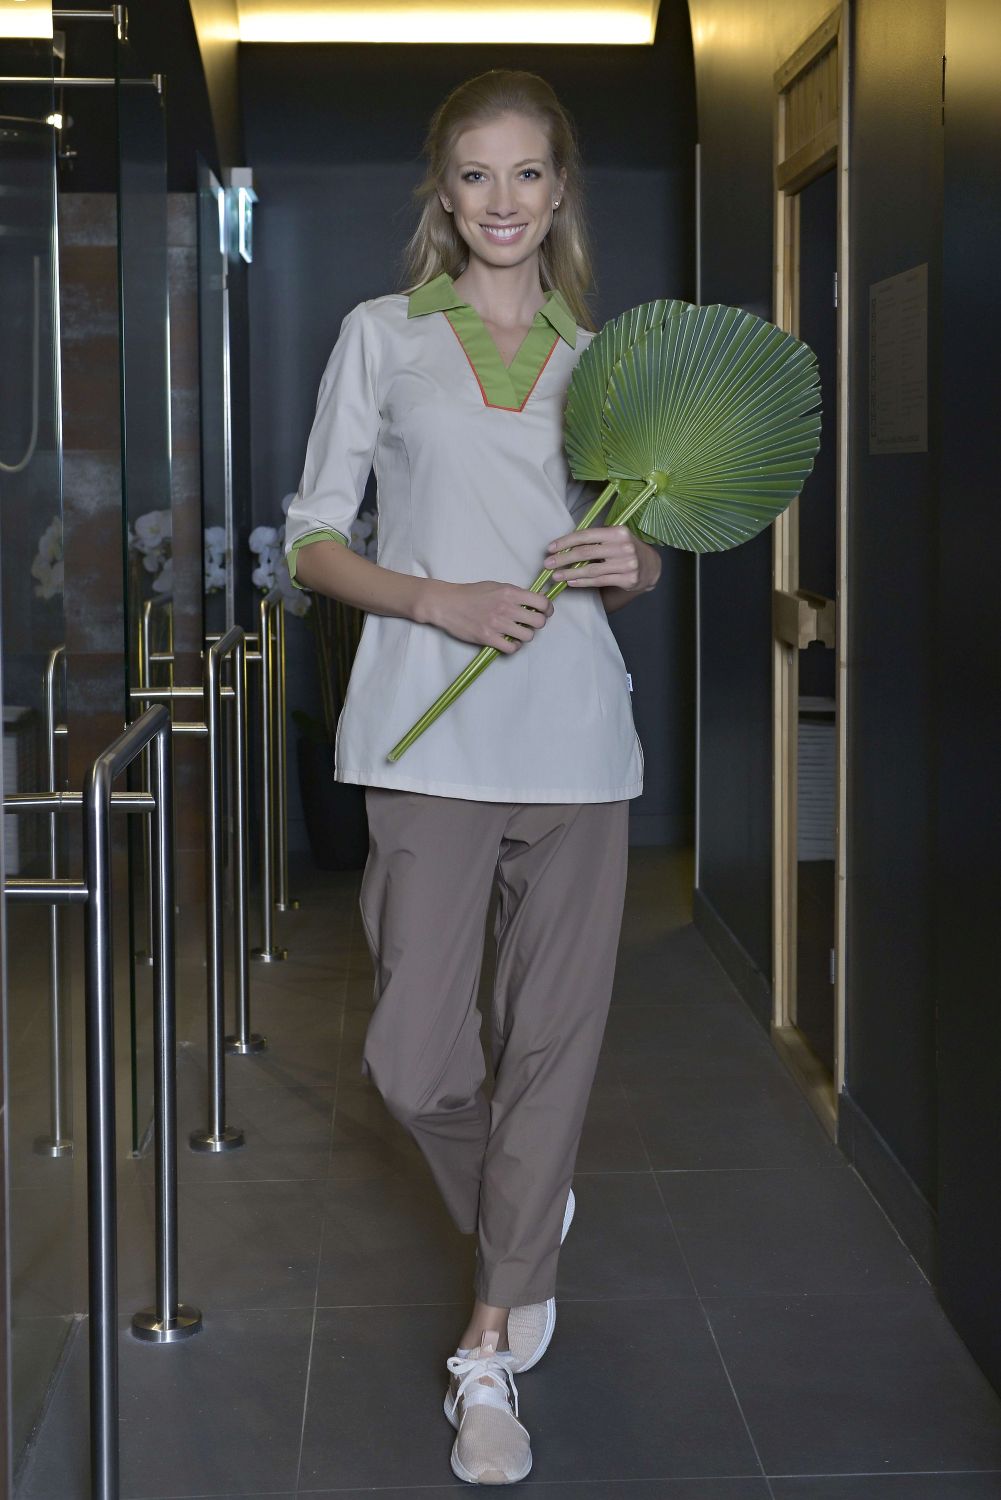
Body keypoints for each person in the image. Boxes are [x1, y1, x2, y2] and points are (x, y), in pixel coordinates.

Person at [285, 68, 662, 1486]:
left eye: (527, 173)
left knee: (553, 1043)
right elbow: (311, 539)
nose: (502, 200)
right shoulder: (379, 337)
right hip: (424, 739)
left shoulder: (606, 362)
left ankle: (488, 1350)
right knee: (413, 1060)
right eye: (474, 174)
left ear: (559, 193)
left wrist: (635, 561)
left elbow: (635, 538)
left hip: (575, 740)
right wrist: (433, 598)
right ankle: (525, 1207)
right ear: (442, 193)